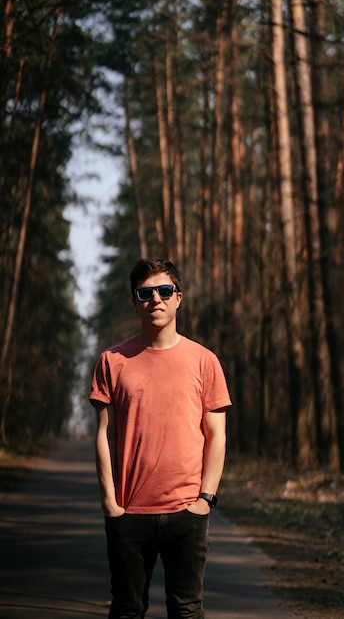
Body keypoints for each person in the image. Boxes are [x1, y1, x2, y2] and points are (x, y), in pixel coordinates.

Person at [89, 258, 232, 619]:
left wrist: (205, 499)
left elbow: (216, 435)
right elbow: (104, 435)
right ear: (135, 301)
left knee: (186, 610)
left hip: (186, 512)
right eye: (146, 292)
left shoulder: (204, 361)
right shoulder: (111, 361)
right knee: (126, 610)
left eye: (164, 291)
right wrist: (110, 502)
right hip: (128, 512)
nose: (156, 299)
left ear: (178, 298)